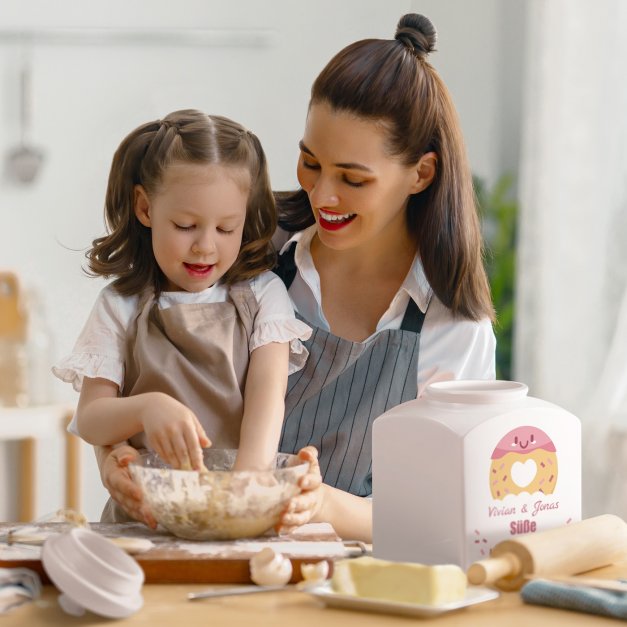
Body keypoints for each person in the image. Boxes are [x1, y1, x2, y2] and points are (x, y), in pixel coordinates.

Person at [96, 13, 496, 541]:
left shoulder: (453, 327)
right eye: (310, 163)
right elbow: (137, 365)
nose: (322, 195)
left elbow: (447, 514)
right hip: (191, 545)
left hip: (347, 582)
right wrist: (113, 460)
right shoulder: (248, 253)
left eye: (353, 179)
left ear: (420, 174)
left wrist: (323, 502)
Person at [53, 109, 311, 521]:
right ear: (145, 208)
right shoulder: (120, 305)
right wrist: (145, 408)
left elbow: (267, 403)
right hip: (142, 519)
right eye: (186, 225)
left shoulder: (264, 297)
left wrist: (243, 494)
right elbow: (90, 420)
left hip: (233, 510)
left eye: (227, 229)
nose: (205, 247)